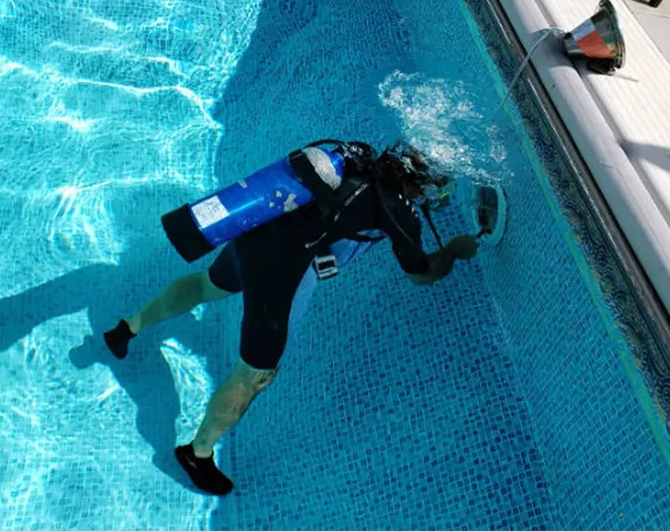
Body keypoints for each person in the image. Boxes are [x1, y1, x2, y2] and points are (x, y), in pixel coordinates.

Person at [102, 140, 481, 496]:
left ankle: (125, 329)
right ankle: (196, 454)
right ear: (423, 183)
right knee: (254, 375)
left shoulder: (351, 155)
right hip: (281, 272)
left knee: (206, 286)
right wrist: (453, 252)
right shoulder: (398, 209)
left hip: (253, 233)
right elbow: (422, 274)